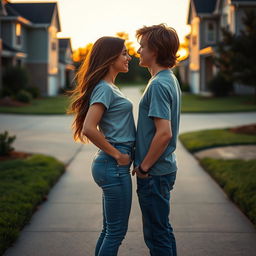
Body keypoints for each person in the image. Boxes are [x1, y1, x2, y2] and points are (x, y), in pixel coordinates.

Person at [68, 36, 136, 256]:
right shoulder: (105, 89)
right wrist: (118, 155)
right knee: (116, 232)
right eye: (124, 53)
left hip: (111, 165)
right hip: (113, 164)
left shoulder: (109, 87)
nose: (129, 57)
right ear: (110, 57)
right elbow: (89, 127)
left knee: (110, 230)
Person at [132, 24, 181, 256]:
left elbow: (164, 132)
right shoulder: (167, 79)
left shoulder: (160, 84)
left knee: (156, 235)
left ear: (156, 50)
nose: (137, 51)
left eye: (142, 46)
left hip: (154, 173)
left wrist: (144, 167)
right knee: (162, 230)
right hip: (161, 170)